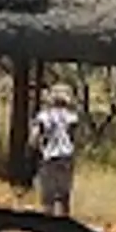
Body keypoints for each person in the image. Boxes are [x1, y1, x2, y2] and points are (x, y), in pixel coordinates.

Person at [27, 85, 82, 217]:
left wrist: (37, 150)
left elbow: (33, 139)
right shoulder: (72, 117)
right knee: (64, 196)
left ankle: (50, 229)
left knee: (48, 198)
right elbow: (75, 138)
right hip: (67, 158)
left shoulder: (43, 116)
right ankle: (65, 227)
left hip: (49, 158)